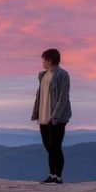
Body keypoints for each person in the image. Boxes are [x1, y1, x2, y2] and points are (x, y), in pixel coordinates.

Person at [30, 48, 71, 183]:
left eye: (44, 60)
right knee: (49, 147)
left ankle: (57, 177)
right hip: (43, 118)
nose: (42, 63)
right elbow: (40, 97)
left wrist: (55, 116)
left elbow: (63, 98)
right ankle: (51, 175)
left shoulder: (63, 75)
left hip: (56, 119)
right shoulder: (43, 75)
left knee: (55, 147)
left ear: (50, 60)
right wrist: (38, 114)